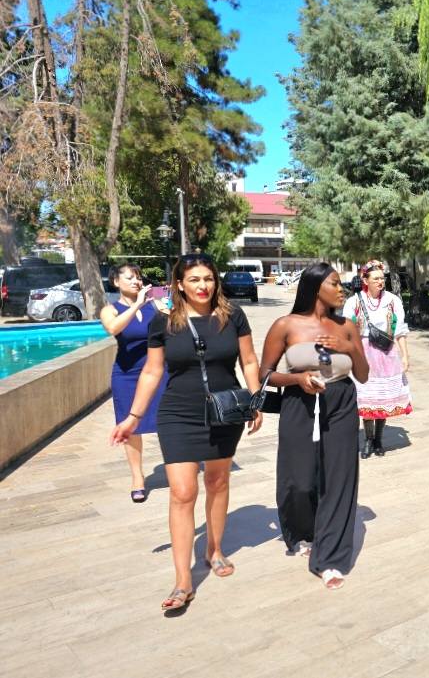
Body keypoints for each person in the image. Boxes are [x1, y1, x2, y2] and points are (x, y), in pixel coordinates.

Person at [110, 254, 263, 611]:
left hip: (225, 409)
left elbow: (249, 360)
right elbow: (152, 371)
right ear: (179, 284)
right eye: (194, 279)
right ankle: (183, 580)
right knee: (182, 492)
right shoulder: (164, 322)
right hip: (178, 412)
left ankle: (214, 549)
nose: (202, 286)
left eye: (208, 278)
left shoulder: (232, 316)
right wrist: (133, 417)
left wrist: (255, 400)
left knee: (217, 481)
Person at [260, 263, 370, 589]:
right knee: (300, 480)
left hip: (341, 402)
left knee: (338, 479)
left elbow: (363, 375)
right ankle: (304, 532)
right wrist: (297, 379)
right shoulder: (286, 325)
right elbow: (265, 374)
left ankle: (330, 557)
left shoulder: (347, 326)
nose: (341, 289)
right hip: (299, 402)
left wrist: (350, 348)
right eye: (334, 283)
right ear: (314, 287)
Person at [100, 264, 168, 503]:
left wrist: (166, 305)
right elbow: (113, 328)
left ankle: (175, 467)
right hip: (126, 374)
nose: (136, 281)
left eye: (138, 278)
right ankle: (137, 477)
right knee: (130, 427)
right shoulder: (110, 310)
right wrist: (137, 305)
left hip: (159, 371)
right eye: (129, 277)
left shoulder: (154, 306)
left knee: (167, 419)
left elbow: (173, 324)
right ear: (116, 282)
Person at [342, 260, 412, 459]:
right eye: (376, 279)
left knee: (383, 398)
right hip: (363, 352)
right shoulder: (354, 301)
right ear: (365, 280)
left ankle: (378, 440)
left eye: (382, 278)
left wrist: (405, 355)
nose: (381, 282)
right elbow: (345, 330)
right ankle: (368, 439)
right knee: (366, 398)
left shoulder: (392, 300)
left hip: (386, 352)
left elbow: (400, 330)